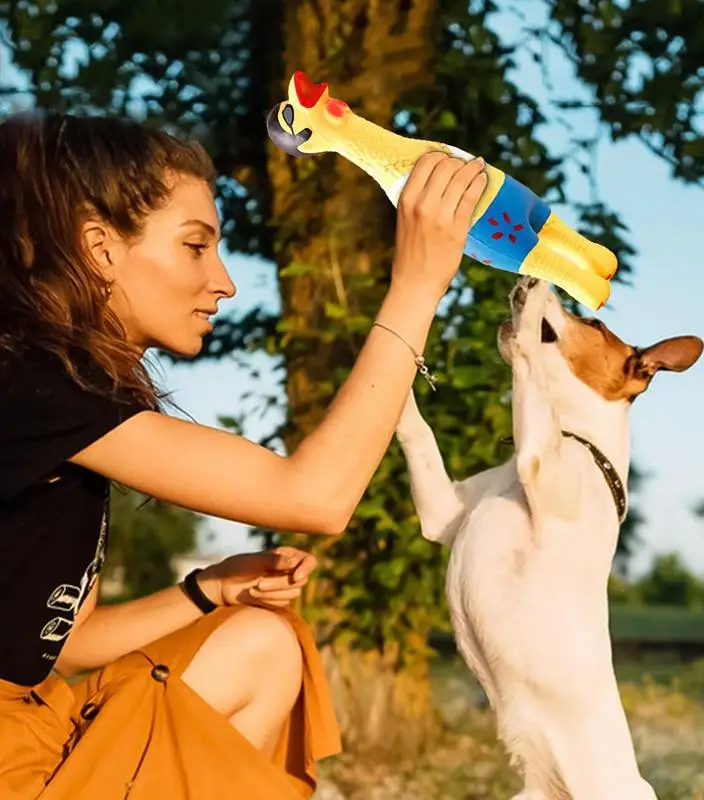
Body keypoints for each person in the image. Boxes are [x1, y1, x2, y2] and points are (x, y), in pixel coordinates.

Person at [0, 111, 487, 799]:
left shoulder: (63, 399)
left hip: (37, 717)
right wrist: (416, 286)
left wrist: (209, 589)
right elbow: (315, 497)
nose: (224, 282)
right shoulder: (33, 388)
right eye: (196, 246)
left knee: (261, 643)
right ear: (100, 248)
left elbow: (67, 644)